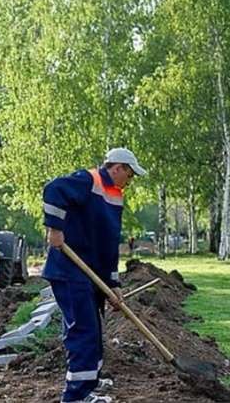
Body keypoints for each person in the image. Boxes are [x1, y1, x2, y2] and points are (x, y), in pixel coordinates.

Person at [42, 148, 146, 403]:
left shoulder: (115, 196)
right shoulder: (89, 181)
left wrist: (113, 284)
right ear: (117, 168)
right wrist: (55, 228)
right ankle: (75, 397)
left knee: (94, 331)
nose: (130, 181)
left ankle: (88, 387)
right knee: (83, 332)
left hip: (91, 274)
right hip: (70, 270)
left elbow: (108, 246)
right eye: (129, 175)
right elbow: (54, 189)